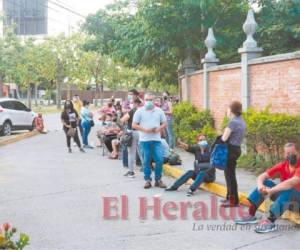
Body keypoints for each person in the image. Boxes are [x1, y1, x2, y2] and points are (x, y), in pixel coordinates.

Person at [235, 143, 300, 233]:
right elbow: (262, 176)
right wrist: (260, 186)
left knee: (289, 190)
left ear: (298, 152)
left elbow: (290, 183)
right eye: (287, 153)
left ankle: (270, 221)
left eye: (293, 153)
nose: (290, 156)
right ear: (284, 154)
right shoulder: (283, 165)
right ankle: (251, 215)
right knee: (266, 182)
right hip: (287, 200)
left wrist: (271, 190)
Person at [132, 92, 167, 189]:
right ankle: (147, 180)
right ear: (144, 100)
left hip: (156, 140)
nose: (149, 101)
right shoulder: (139, 111)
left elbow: (164, 123)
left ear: (155, 100)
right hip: (144, 140)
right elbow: (134, 125)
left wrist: (159, 129)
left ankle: (158, 179)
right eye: (147, 100)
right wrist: (145, 130)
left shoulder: (159, 111)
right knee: (146, 161)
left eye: (151, 100)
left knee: (159, 160)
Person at [220, 101, 246, 207]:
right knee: (229, 175)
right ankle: (229, 197)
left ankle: (233, 201)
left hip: (230, 150)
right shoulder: (241, 121)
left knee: (230, 176)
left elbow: (224, 138)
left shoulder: (233, 122)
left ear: (231, 110)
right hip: (236, 149)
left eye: (228, 108)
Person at [120, 98, 143, 178]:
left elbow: (122, 120)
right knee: (141, 152)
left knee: (131, 153)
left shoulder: (132, 111)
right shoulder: (143, 111)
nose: (131, 104)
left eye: (132, 102)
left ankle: (131, 172)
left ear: (136, 103)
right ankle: (146, 169)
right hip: (142, 133)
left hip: (132, 133)